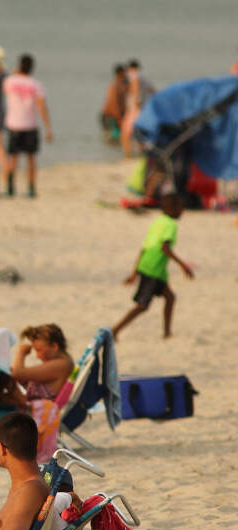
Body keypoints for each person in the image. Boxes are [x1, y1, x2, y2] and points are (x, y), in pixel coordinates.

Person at [112, 193, 194, 339]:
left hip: (151, 266)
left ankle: (167, 333)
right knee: (143, 306)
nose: (182, 211)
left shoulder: (158, 222)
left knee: (170, 297)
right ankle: (115, 330)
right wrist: (183, 265)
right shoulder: (170, 224)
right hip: (153, 268)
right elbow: (165, 248)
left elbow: (145, 247)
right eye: (180, 208)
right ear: (172, 209)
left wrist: (134, 272)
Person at [10, 324, 74, 462]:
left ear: (55, 347)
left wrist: (21, 352)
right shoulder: (60, 363)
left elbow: (17, 373)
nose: (38, 356)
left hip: (38, 411)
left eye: (40, 350)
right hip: (33, 406)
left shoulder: (61, 364)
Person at [2, 54, 53, 198]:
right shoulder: (36, 84)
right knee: (31, 158)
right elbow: (42, 107)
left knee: (13, 157)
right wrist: (48, 127)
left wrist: (15, 72)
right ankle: (31, 187)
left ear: (19, 66)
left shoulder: (10, 81)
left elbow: (5, 86)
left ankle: (10, 186)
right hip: (30, 125)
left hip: (13, 124)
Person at [121, 59, 156, 158]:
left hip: (135, 109)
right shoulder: (145, 79)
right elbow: (154, 91)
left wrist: (135, 102)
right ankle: (143, 156)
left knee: (125, 135)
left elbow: (135, 88)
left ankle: (128, 156)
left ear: (131, 68)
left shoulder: (134, 76)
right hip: (143, 109)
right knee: (138, 135)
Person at [100, 64, 128, 145]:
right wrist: (118, 117)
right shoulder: (115, 85)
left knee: (115, 139)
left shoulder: (121, 84)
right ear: (120, 73)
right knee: (113, 139)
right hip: (111, 116)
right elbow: (114, 103)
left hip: (113, 115)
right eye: (124, 73)